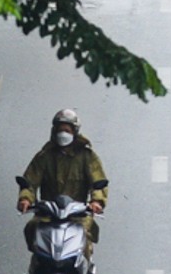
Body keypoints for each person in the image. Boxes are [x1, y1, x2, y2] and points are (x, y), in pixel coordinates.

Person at [17, 108, 108, 258]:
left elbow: (98, 182)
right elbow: (29, 182)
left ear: (75, 132)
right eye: (60, 130)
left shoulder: (86, 156)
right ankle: (38, 266)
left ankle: (85, 271)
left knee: (84, 235)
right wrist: (25, 199)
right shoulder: (44, 157)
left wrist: (96, 202)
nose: (63, 134)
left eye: (67, 130)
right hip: (48, 214)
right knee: (32, 228)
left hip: (77, 215)